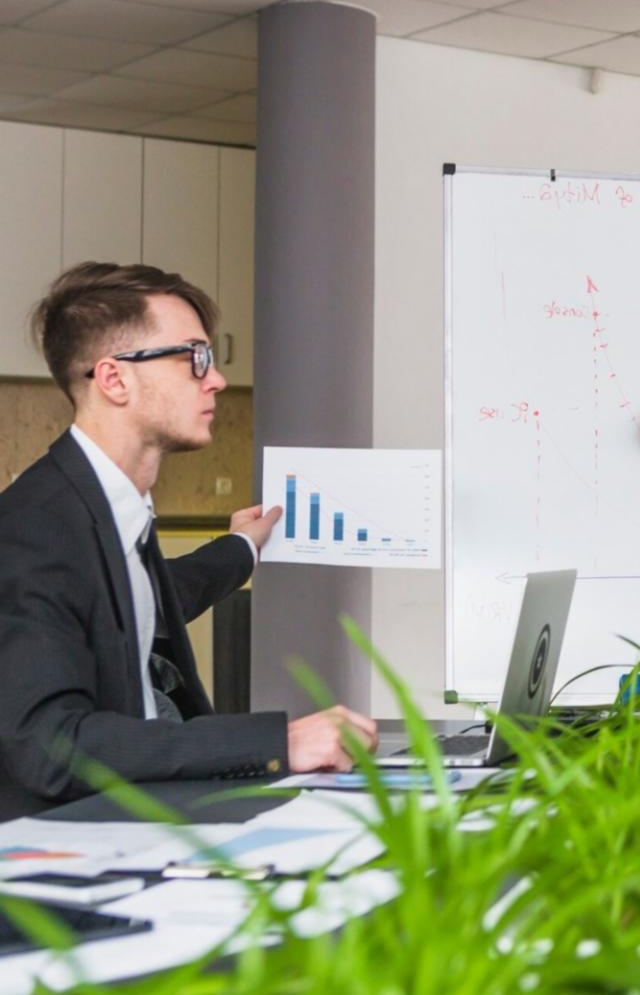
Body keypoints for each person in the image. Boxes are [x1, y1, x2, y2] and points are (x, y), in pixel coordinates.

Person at [0, 262, 378, 821]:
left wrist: (241, 547)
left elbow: (142, 603)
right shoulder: (36, 526)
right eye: (194, 357)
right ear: (114, 379)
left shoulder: (107, 506)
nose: (217, 379)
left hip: (150, 814)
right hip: (74, 853)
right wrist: (276, 744)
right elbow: (49, 746)